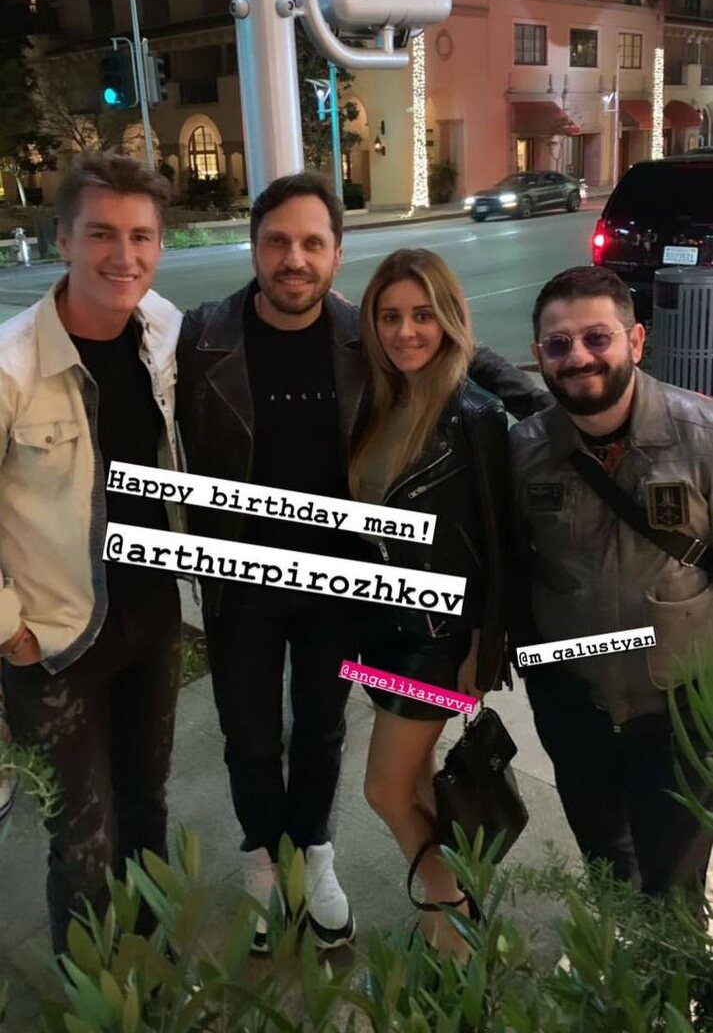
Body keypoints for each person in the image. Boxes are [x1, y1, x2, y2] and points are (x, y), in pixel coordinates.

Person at [176, 171, 548, 953]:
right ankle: (263, 864)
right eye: (278, 241)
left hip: (343, 592)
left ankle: (316, 855)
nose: (294, 258)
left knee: (322, 733)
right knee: (249, 738)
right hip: (241, 587)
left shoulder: (363, 333)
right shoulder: (203, 334)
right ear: (254, 246)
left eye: (312, 243)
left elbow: (457, 357)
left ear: (336, 254)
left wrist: (558, 415)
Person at [0, 151, 183, 951]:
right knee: (83, 837)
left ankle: (152, 962)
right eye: (102, 233)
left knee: (147, 804)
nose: (124, 255)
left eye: (141, 236)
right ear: (64, 240)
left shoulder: (163, 330)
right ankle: (92, 990)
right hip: (55, 640)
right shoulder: (12, 365)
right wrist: (9, 629)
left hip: (153, 620)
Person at [510, 265, 713, 900]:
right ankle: (613, 950)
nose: (578, 357)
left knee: (674, 885)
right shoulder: (523, 452)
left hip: (681, 711)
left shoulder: (702, 437)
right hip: (576, 708)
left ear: (637, 340)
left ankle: (667, 961)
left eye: (597, 337)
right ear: (539, 355)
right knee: (605, 864)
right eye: (558, 344)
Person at [349, 249, 509, 952]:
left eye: (421, 315)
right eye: (389, 317)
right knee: (414, 788)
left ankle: (456, 920)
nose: (405, 332)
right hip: (379, 630)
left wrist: (486, 646)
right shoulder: (379, 401)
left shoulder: (474, 413)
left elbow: (501, 543)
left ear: (447, 318)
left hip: (437, 639)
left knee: (382, 791)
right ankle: (445, 928)